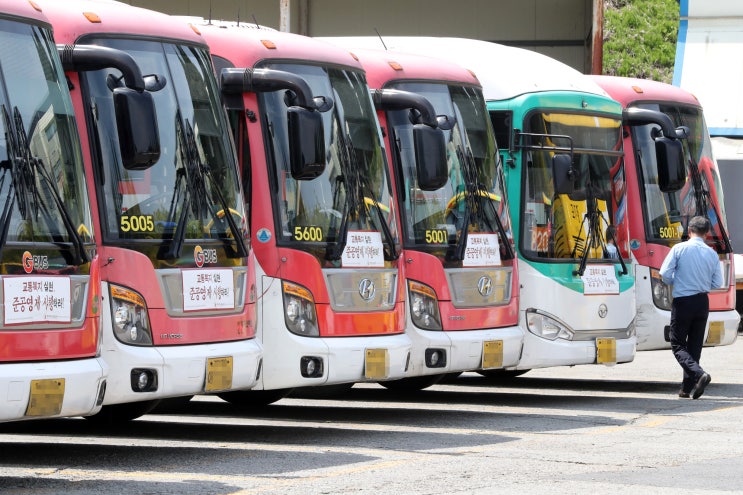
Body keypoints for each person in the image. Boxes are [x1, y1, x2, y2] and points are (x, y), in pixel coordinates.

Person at [659, 216, 722, 399]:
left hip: (683, 301)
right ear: (707, 233)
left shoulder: (679, 248)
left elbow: (664, 273)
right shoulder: (711, 253)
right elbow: (717, 282)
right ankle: (686, 389)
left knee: (677, 344)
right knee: (694, 346)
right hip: (702, 302)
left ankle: (699, 374)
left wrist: (676, 281)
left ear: (689, 231)